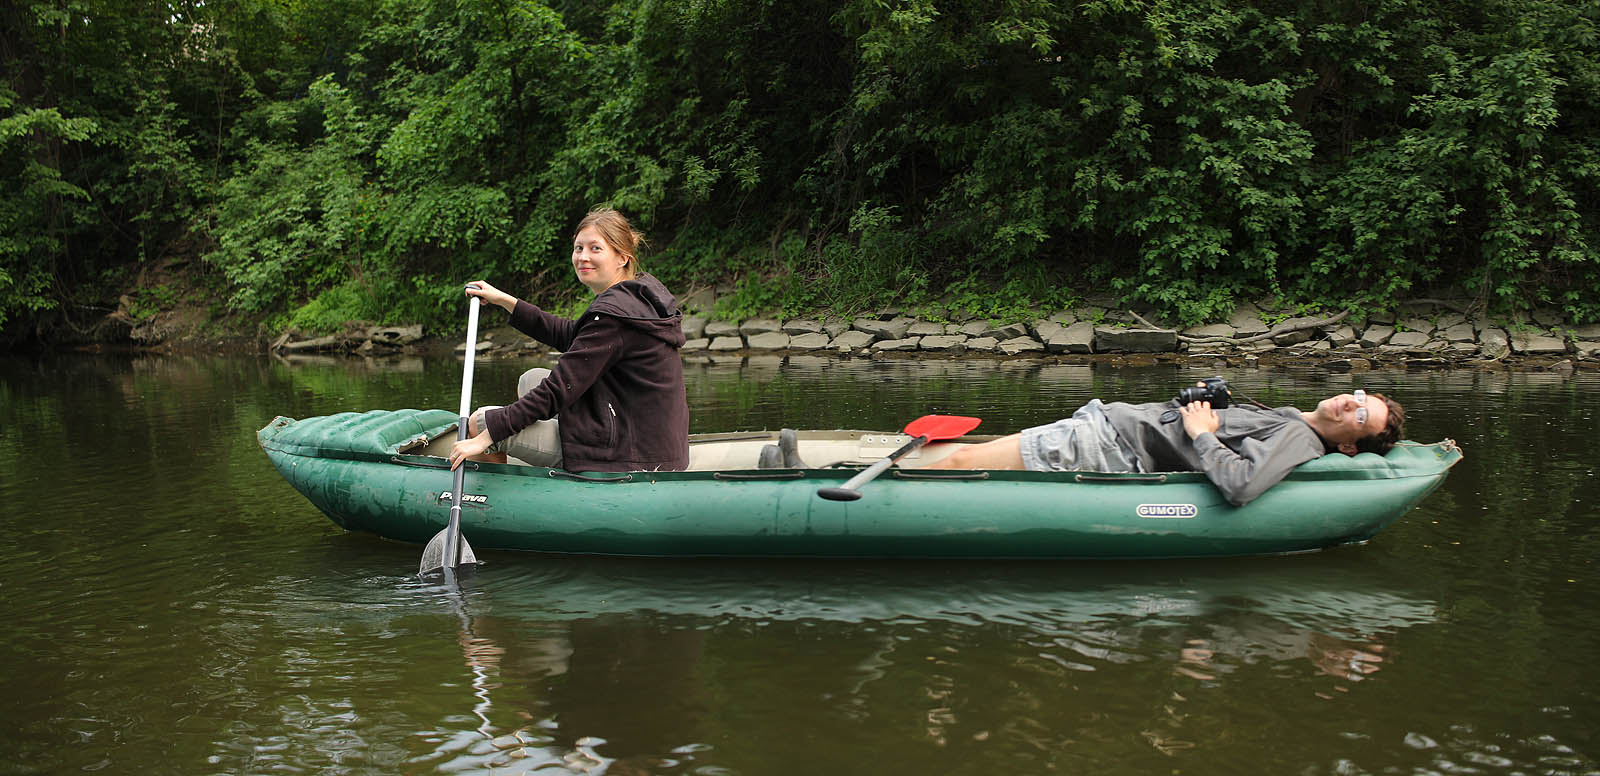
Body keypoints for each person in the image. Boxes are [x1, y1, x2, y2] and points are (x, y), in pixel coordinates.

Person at [448, 208, 689, 473]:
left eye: (595, 249)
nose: (583, 257)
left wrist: (486, 436)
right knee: (531, 379)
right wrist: (505, 300)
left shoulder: (614, 316)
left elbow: (558, 389)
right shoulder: (635, 296)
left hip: (629, 454)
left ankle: (494, 500)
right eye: (578, 248)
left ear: (622, 257)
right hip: (638, 433)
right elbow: (572, 335)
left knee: (480, 422)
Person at [925, 386, 1405, 506]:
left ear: (1348, 446)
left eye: (1361, 416)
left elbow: (1242, 485)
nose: (1351, 403)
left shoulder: (1300, 439)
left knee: (964, 459)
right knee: (967, 459)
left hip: (1110, 441)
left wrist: (1200, 431)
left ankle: (891, 497)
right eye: (1360, 397)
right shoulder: (1289, 419)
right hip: (1107, 424)